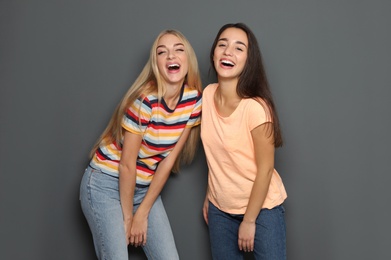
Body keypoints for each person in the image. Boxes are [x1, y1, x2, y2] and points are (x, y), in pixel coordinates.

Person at [80, 29, 202, 260]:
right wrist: (128, 218)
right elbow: (127, 165)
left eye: (178, 50)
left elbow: (168, 161)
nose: (171, 56)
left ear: (188, 59)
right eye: (162, 52)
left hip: (143, 188)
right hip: (105, 184)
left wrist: (142, 212)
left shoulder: (194, 101)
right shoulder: (145, 101)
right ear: (156, 63)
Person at [201, 23, 288, 260]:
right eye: (222, 45)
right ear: (213, 53)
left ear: (249, 60)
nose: (228, 52)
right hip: (221, 210)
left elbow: (266, 169)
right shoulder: (207, 95)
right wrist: (211, 194)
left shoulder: (256, 108)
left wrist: (250, 220)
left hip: (261, 209)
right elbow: (218, 153)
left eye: (239, 48)